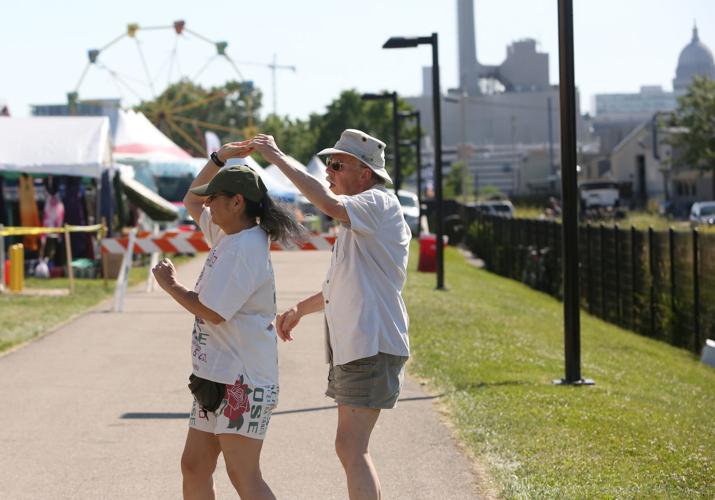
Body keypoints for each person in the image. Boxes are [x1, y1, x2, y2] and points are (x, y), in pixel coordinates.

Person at [249, 129, 411, 500]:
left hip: (371, 344)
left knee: (352, 448)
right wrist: (299, 310)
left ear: (365, 173)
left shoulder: (377, 202)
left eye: (337, 164)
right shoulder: (360, 221)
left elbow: (326, 203)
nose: (329, 171)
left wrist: (277, 157)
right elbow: (339, 288)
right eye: (328, 164)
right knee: (349, 447)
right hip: (360, 346)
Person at [152, 141, 303, 500]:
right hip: (217, 376)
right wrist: (219, 159)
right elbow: (190, 199)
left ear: (237, 203)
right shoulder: (229, 232)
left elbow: (214, 313)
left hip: (243, 383)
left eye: (215, 197)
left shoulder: (247, 247)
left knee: (244, 475)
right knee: (194, 466)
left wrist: (171, 285)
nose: (206, 204)